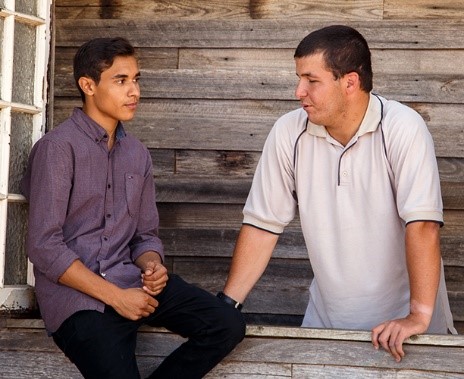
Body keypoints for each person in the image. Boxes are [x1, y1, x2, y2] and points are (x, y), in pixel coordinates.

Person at [220, 25, 457, 363]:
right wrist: (226, 306)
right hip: (326, 327)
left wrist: (417, 316)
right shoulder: (289, 132)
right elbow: (262, 225)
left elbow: (423, 225)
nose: (298, 91)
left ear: (349, 82)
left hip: (407, 335)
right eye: (299, 78)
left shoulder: (402, 128)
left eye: (311, 80)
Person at [21, 37, 245, 379]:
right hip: (80, 301)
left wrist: (152, 266)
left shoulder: (137, 154)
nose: (134, 91)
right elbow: (44, 245)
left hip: (131, 281)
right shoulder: (57, 149)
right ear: (88, 85)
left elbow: (145, 236)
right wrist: (116, 298)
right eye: (121, 80)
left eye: (136, 79)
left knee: (226, 324)